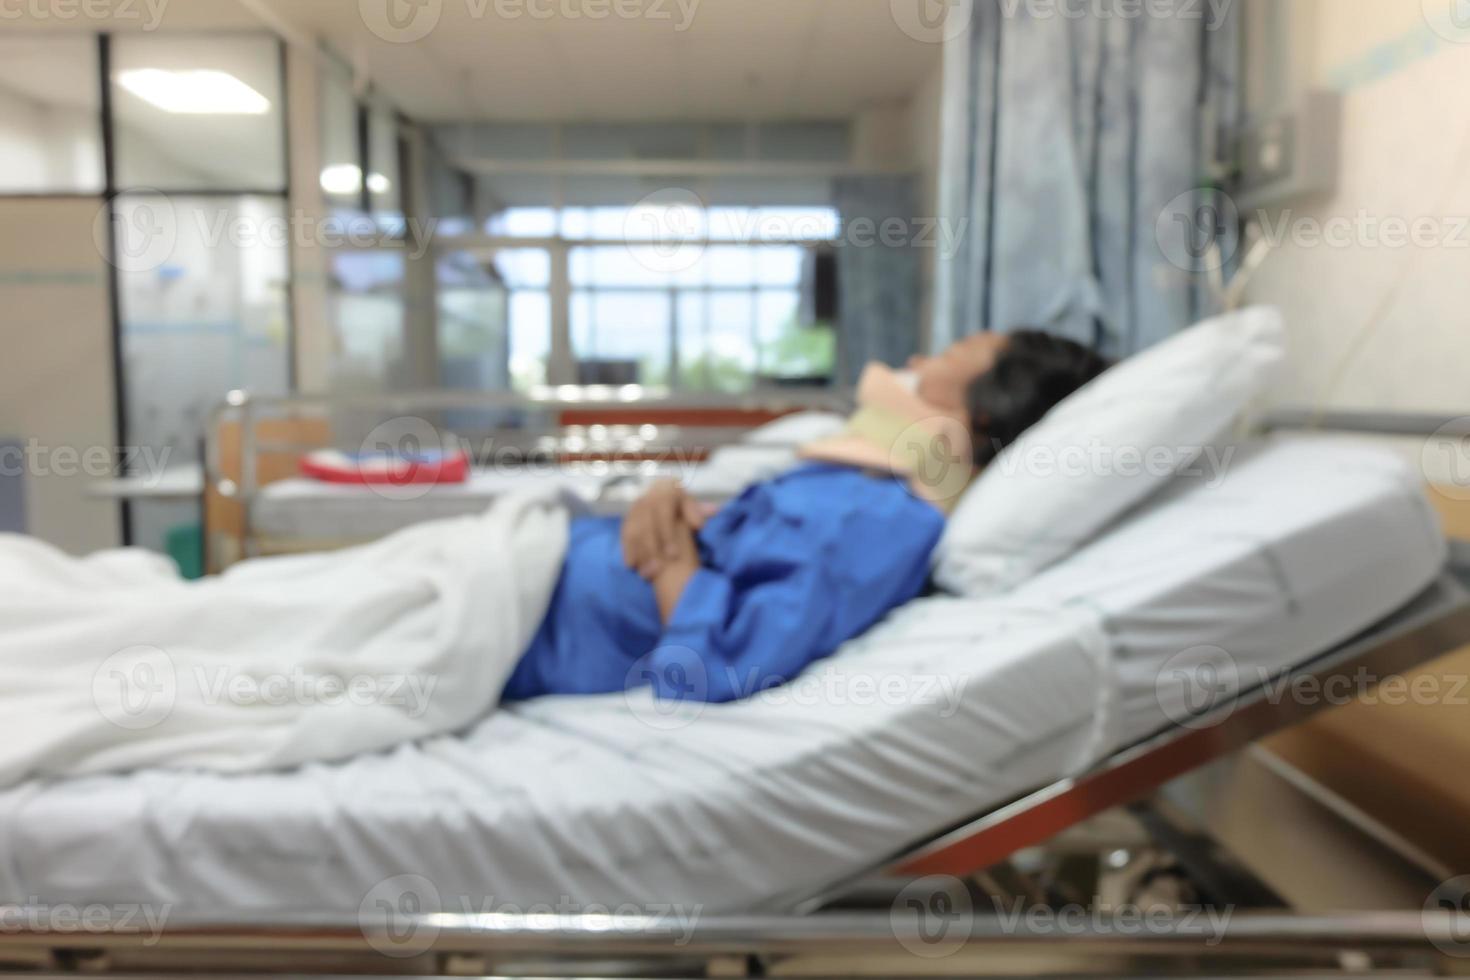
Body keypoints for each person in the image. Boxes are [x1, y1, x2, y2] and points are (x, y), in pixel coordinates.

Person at [501, 331, 1112, 705]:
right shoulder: (860, 483)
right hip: (541, 573)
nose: (917, 358)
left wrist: (665, 554)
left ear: (981, 410)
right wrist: (665, 504)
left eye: (950, 353)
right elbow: (736, 552)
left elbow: (710, 665)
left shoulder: (882, 521)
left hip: (534, 620)